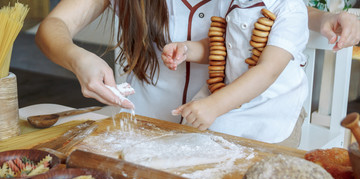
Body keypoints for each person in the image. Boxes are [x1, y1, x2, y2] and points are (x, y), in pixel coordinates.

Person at [35, 0, 359, 126]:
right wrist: (79, 58)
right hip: (149, 121)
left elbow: (272, 11)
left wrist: (327, 18)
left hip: (252, 123)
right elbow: (53, 27)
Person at [162, 0, 309, 146]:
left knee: (267, 166)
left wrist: (214, 105)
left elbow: (268, 70)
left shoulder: (291, 8)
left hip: (272, 111)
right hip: (228, 100)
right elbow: (219, 46)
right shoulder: (228, 2)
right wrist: (186, 50)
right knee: (193, 149)